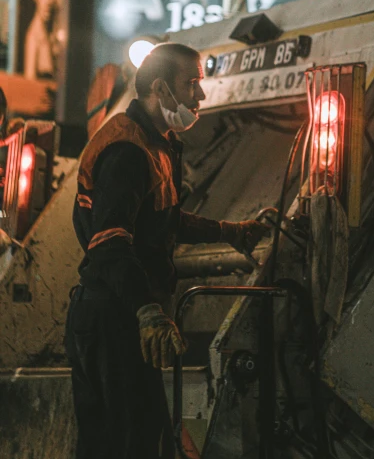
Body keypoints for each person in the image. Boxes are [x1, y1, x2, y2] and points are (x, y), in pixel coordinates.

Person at [65, 43, 269, 459]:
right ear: (161, 88)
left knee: (137, 438)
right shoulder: (128, 150)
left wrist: (228, 232)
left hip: (117, 314)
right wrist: (147, 311)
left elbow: (163, 219)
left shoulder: (159, 142)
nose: (201, 95)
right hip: (111, 318)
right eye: (192, 84)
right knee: (126, 444)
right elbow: (109, 241)